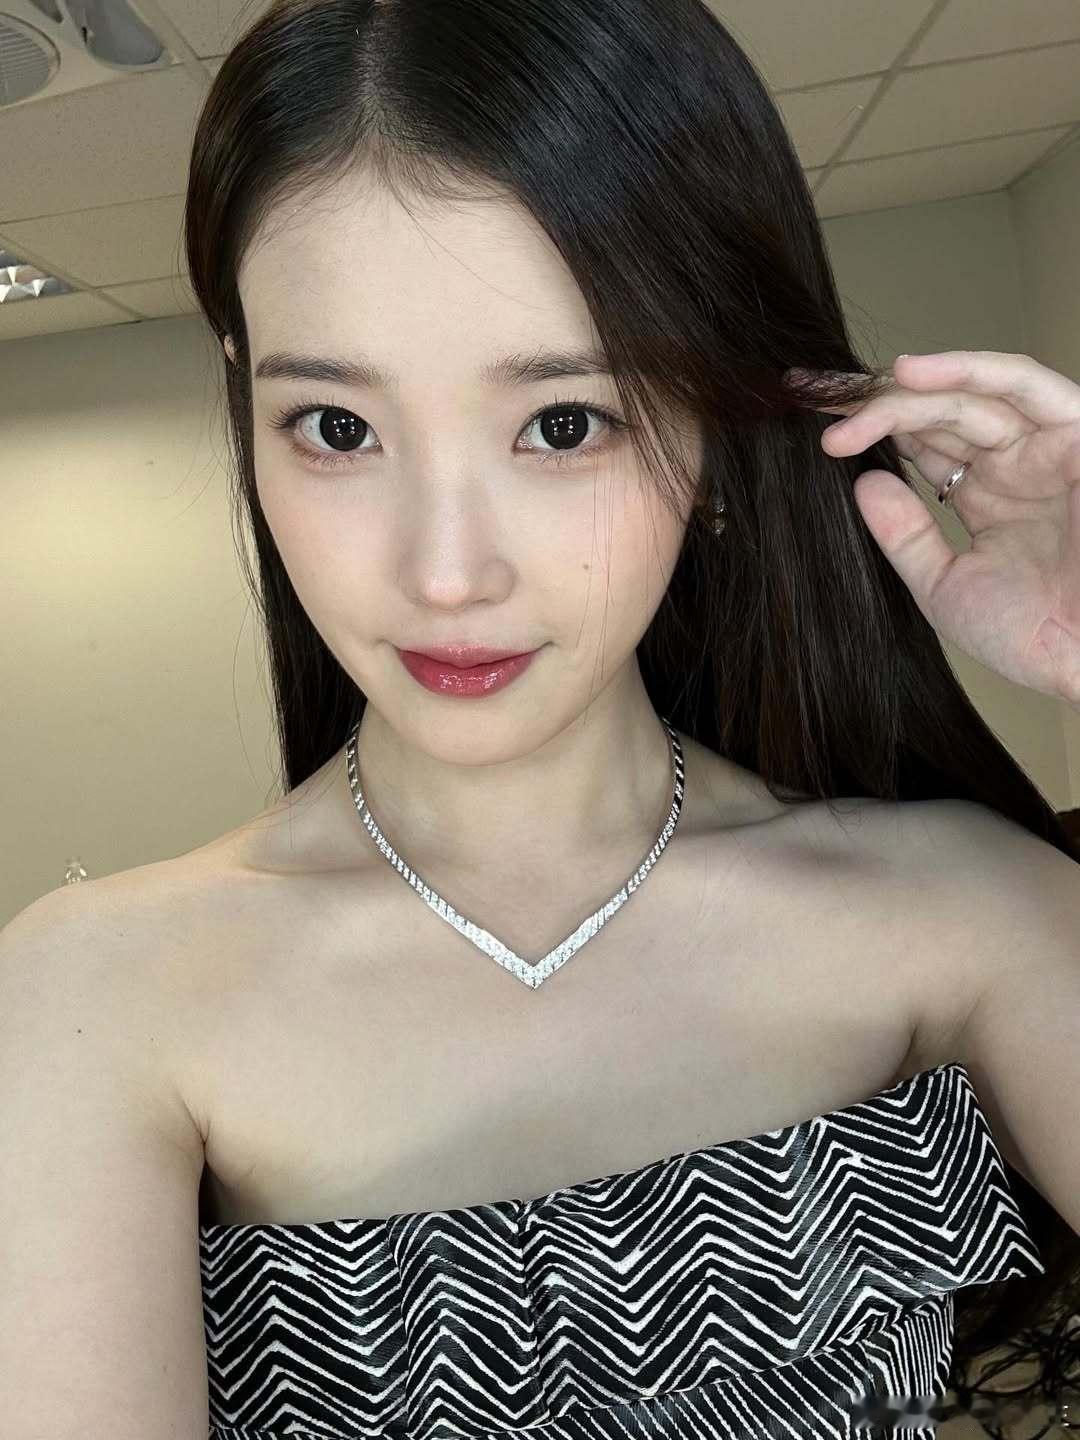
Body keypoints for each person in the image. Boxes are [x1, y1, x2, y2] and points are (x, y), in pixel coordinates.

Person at [3, 0, 1078, 1436]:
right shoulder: (96, 994)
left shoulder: (967, 909)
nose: (447, 574)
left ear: (710, 430)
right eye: (337, 428)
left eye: (564, 423)